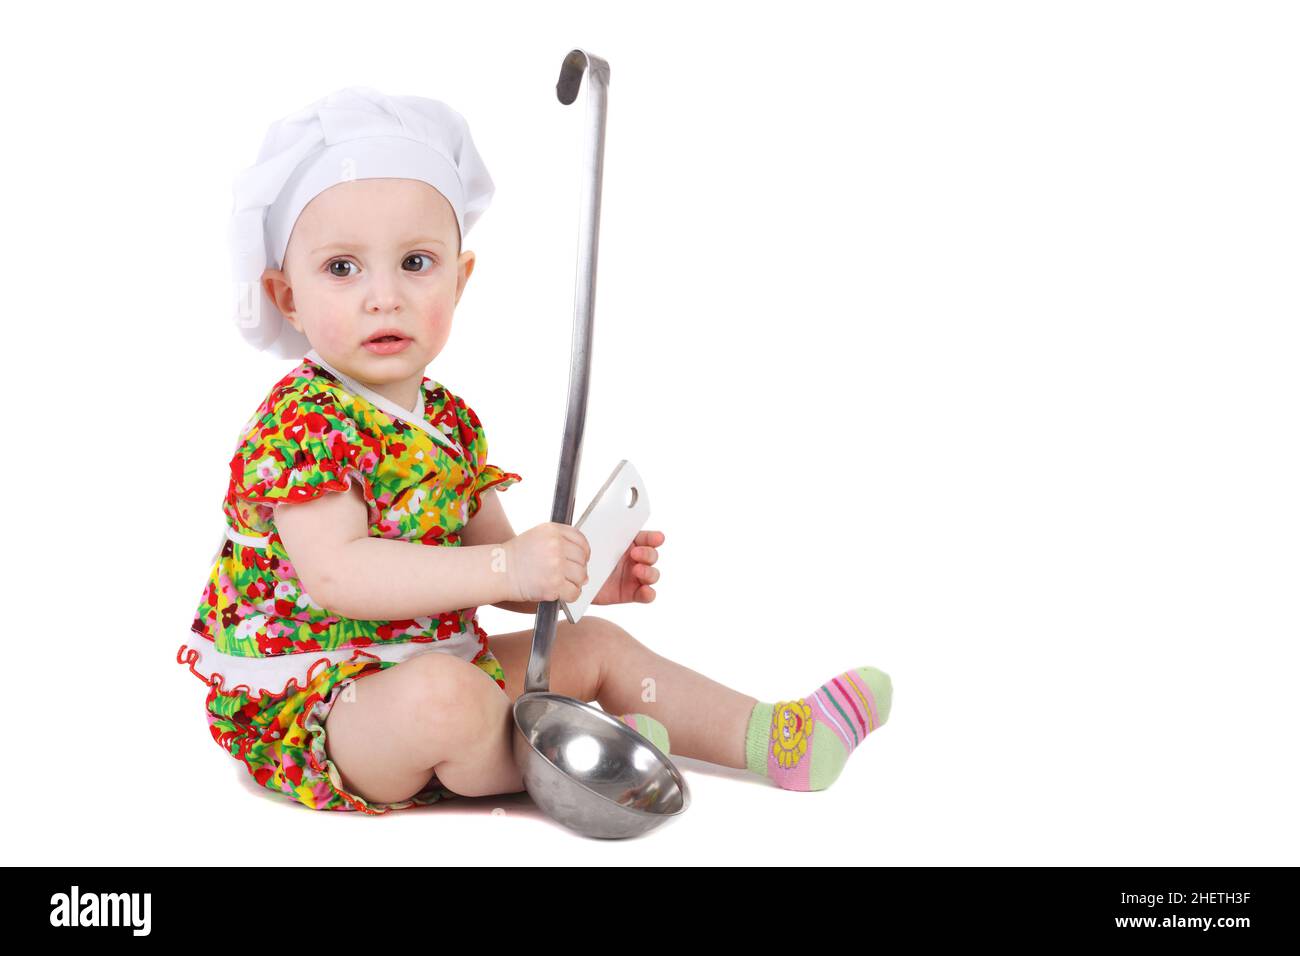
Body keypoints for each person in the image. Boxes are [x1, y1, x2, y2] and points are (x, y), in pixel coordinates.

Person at [178, 86, 892, 814]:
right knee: (443, 699)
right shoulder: (302, 423)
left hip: (431, 661)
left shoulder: (448, 422)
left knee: (596, 648)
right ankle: (598, 759)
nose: (383, 296)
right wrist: (504, 566)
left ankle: (776, 739)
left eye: (416, 263)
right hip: (325, 702)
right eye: (341, 269)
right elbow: (340, 577)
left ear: (459, 281)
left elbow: (496, 570)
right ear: (285, 296)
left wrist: (561, 577)